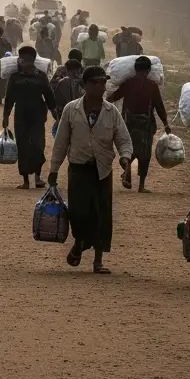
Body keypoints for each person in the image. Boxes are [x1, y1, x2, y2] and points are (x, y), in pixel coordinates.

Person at [48, 66, 133, 275]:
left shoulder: (111, 112)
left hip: (102, 169)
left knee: (101, 214)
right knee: (78, 213)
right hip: (78, 169)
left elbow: (123, 139)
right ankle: (79, 243)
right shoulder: (71, 109)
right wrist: (54, 169)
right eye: (94, 82)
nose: (100, 86)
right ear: (84, 85)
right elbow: (61, 142)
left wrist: (124, 158)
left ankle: (98, 260)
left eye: (103, 82)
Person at [107, 56, 171, 192]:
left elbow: (113, 97)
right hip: (146, 125)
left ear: (135, 69)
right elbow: (159, 106)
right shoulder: (152, 86)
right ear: (148, 70)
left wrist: (105, 100)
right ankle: (141, 186)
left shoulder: (128, 83)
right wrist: (166, 123)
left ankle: (127, 173)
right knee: (145, 154)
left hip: (128, 123)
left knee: (128, 150)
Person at [2, 46, 57, 190]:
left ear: (33, 60)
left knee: (38, 145)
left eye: (27, 59)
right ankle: (25, 180)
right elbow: (9, 98)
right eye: (22, 59)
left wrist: (55, 113)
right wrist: (5, 116)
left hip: (38, 115)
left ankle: (38, 177)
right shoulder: (15, 77)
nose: (24, 62)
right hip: (20, 115)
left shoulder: (41, 76)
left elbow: (49, 96)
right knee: (22, 146)